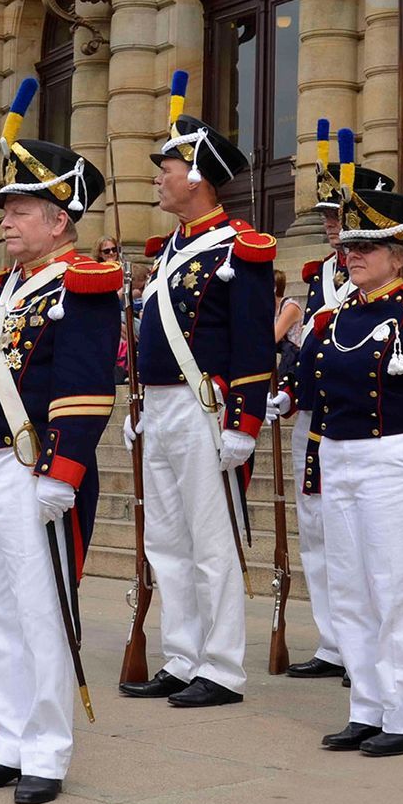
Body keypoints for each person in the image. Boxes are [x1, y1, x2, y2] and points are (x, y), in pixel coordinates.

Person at [0, 83, 120, 804]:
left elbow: (86, 386)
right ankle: (9, 740)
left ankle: (45, 751)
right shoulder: (12, 289)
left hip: (37, 469)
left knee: (41, 610)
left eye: (19, 210)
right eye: (7, 209)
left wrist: (63, 470)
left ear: (58, 218)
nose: (5, 220)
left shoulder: (82, 284)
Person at [119, 70, 275, 709]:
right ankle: (182, 656)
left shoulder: (240, 249)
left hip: (206, 410)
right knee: (166, 539)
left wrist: (244, 422)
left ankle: (223, 666)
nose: (158, 178)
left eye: (168, 168)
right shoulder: (169, 250)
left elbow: (253, 345)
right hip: (162, 407)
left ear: (199, 177)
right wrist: (141, 405)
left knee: (211, 543)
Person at [295, 183, 403, 758]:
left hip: (392, 461)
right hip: (339, 458)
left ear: (398, 255)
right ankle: (367, 707)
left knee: (394, 591)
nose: (352, 255)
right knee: (348, 591)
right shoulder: (333, 318)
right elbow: (316, 401)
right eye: (350, 246)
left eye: (366, 246)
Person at [270, 124, 397, 684]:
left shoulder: (391, 277)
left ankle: (367, 644)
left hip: (363, 421)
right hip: (315, 419)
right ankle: (334, 641)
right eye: (325, 216)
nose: (328, 225)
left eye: (337, 215)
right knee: (318, 530)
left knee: (361, 539)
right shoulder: (321, 273)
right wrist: (287, 390)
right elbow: (313, 348)